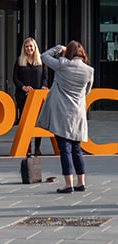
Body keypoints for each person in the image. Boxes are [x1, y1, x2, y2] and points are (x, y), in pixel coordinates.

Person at [36, 41, 94, 194]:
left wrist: (59, 49)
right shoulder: (89, 70)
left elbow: (43, 56)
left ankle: (68, 184)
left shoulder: (61, 65)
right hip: (78, 113)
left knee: (65, 149)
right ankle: (81, 182)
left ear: (68, 53)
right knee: (77, 148)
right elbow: (87, 91)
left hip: (61, 112)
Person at [13, 37, 48, 155]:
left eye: (31, 46)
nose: (29, 48)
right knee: (25, 122)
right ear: (24, 48)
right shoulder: (19, 61)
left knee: (38, 122)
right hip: (23, 96)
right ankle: (27, 147)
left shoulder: (41, 61)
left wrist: (43, 86)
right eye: (27, 46)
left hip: (37, 97)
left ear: (35, 47)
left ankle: (37, 147)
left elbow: (45, 78)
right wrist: (23, 87)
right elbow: (15, 78)